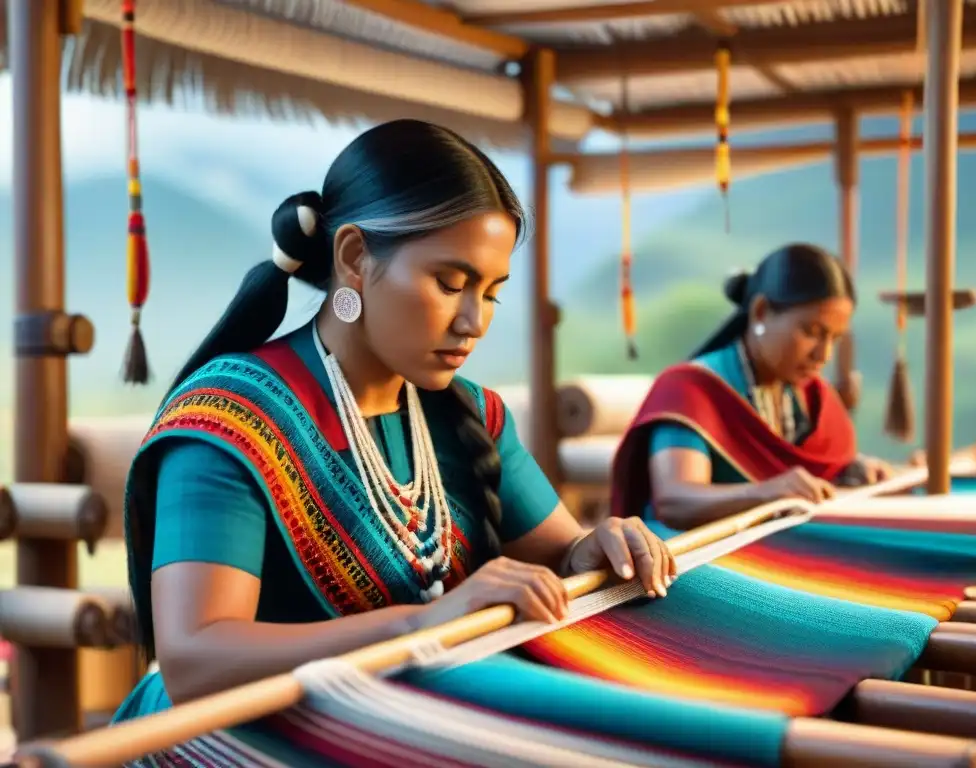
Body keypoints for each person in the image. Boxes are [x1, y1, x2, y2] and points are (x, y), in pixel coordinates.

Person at [112, 119, 677, 720]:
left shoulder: (471, 416)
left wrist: (602, 547)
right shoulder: (231, 421)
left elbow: (566, 554)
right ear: (354, 258)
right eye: (450, 282)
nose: (474, 321)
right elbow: (194, 659)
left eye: (490, 292)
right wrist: (420, 624)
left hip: (405, 731)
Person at [610, 243, 892, 531]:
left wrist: (846, 470)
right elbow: (675, 501)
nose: (824, 355)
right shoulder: (689, 390)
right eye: (811, 332)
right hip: (693, 562)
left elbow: (813, 472)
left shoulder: (813, 397)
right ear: (759, 312)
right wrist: (766, 492)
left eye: (835, 338)